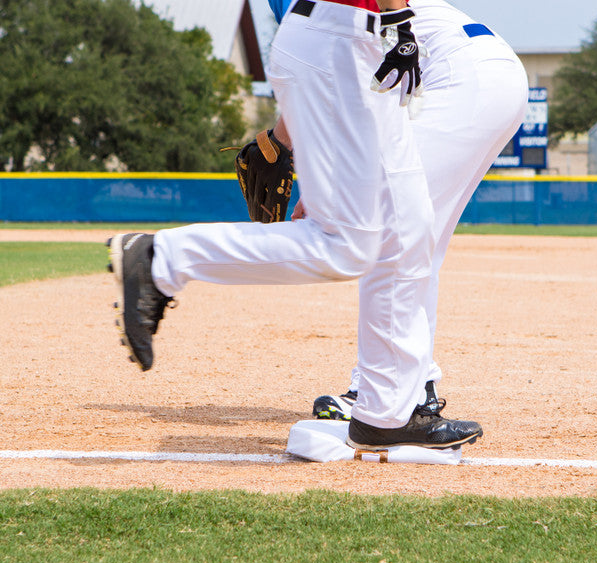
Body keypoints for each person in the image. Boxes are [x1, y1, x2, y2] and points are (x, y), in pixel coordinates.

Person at [108, 0, 484, 452]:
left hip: (355, 41)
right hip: (341, 40)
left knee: (409, 226)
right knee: (347, 246)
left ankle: (386, 415)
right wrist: (401, 21)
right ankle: (162, 259)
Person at [289, 0, 530, 422]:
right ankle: (416, 386)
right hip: (486, 74)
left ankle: (382, 390)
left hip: (460, 78)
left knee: (393, 230)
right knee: (417, 237)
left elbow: (346, 83)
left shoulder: (305, 11)